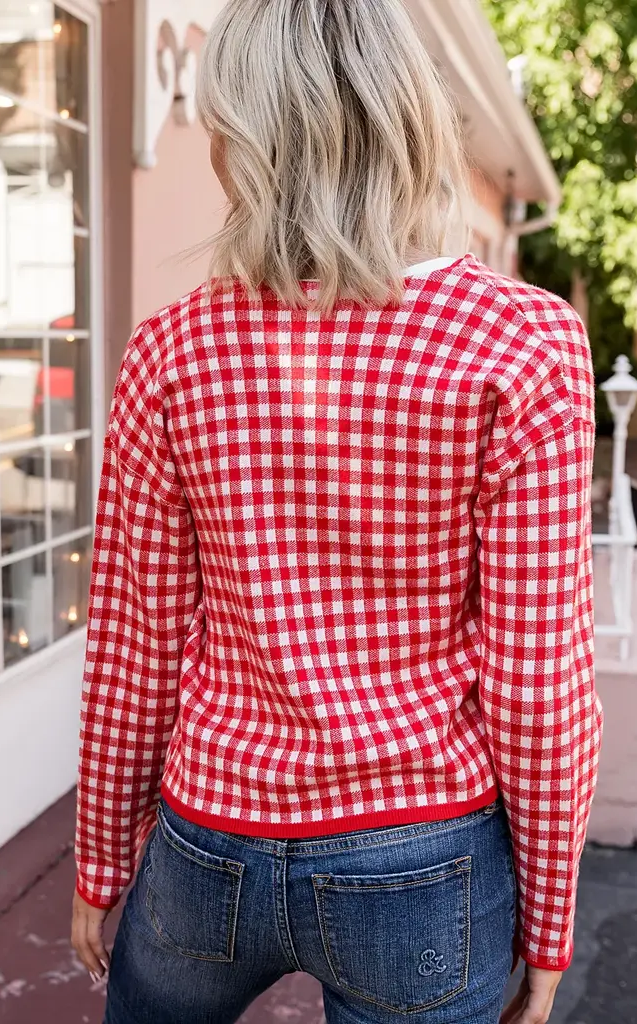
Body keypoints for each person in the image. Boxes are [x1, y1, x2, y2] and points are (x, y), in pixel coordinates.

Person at [71, 1, 603, 1022]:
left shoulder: (171, 350)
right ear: (407, 118)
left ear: (242, 139)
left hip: (206, 841)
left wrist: (100, 861)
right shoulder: (521, 344)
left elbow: (133, 645)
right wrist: (545, 924)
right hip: (421, 853)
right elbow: (537, 681)